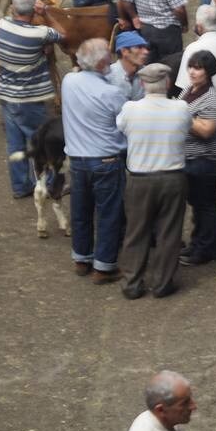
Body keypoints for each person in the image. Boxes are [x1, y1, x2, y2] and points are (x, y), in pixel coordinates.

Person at [117, 64, 190, 299]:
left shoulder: (130, 109)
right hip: (173, 177)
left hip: (140, 178)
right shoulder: (181, 108)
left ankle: (132, 283)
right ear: (167, 83)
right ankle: (162, 283)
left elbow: (121, 129)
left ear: (142, 84)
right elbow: (188, 130)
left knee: (136, 231)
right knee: (169, 232)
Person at [61, 38, 129, 283]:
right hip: (106, 159)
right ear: (102, 63)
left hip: (78, 159)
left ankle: (81, 257)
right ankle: (104, 266)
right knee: (109, 213)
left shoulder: (69, 82)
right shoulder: (112, 92)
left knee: (80, 210)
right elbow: (124, 123)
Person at [0, 0, 66, 198]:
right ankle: (49, 185)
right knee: (40, 142)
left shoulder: (1, 24)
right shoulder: (39, 33)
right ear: (33, 8)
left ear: (13, 8)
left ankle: (20, 186)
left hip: (5, 94)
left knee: (14, 143)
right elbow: (63, 33)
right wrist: (46, 12)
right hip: (28, 98)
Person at [177, 49, 216, 268]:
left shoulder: (212, 99)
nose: (193, 72)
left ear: (209, 72)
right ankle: (197, 243)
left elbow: (207, 131)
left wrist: (181, 115)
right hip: (189, 158)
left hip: (204, 160)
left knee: (205, 206)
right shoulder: (189, 90)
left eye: (198, 68)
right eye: (191, 67)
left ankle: (206, 249)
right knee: (196, 204)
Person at [109, 30, 151, 100]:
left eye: (145, 47)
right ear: (124, 51)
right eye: (139, 47)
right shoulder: (109, 76)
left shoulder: (148, 74)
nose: (146, 52)